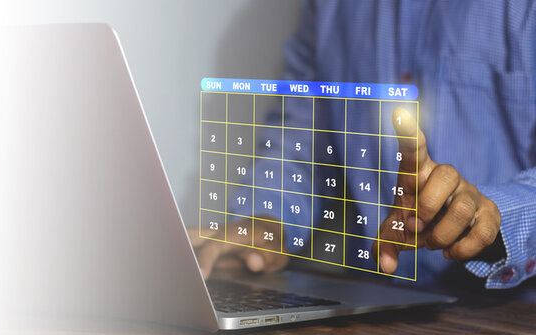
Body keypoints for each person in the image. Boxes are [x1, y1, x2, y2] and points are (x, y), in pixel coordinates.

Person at [191, 0, 536, 289]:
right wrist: (268, 220)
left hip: (508, 319)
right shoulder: (328, 7)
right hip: (367, 304)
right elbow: (304, 139)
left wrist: (492, 212)